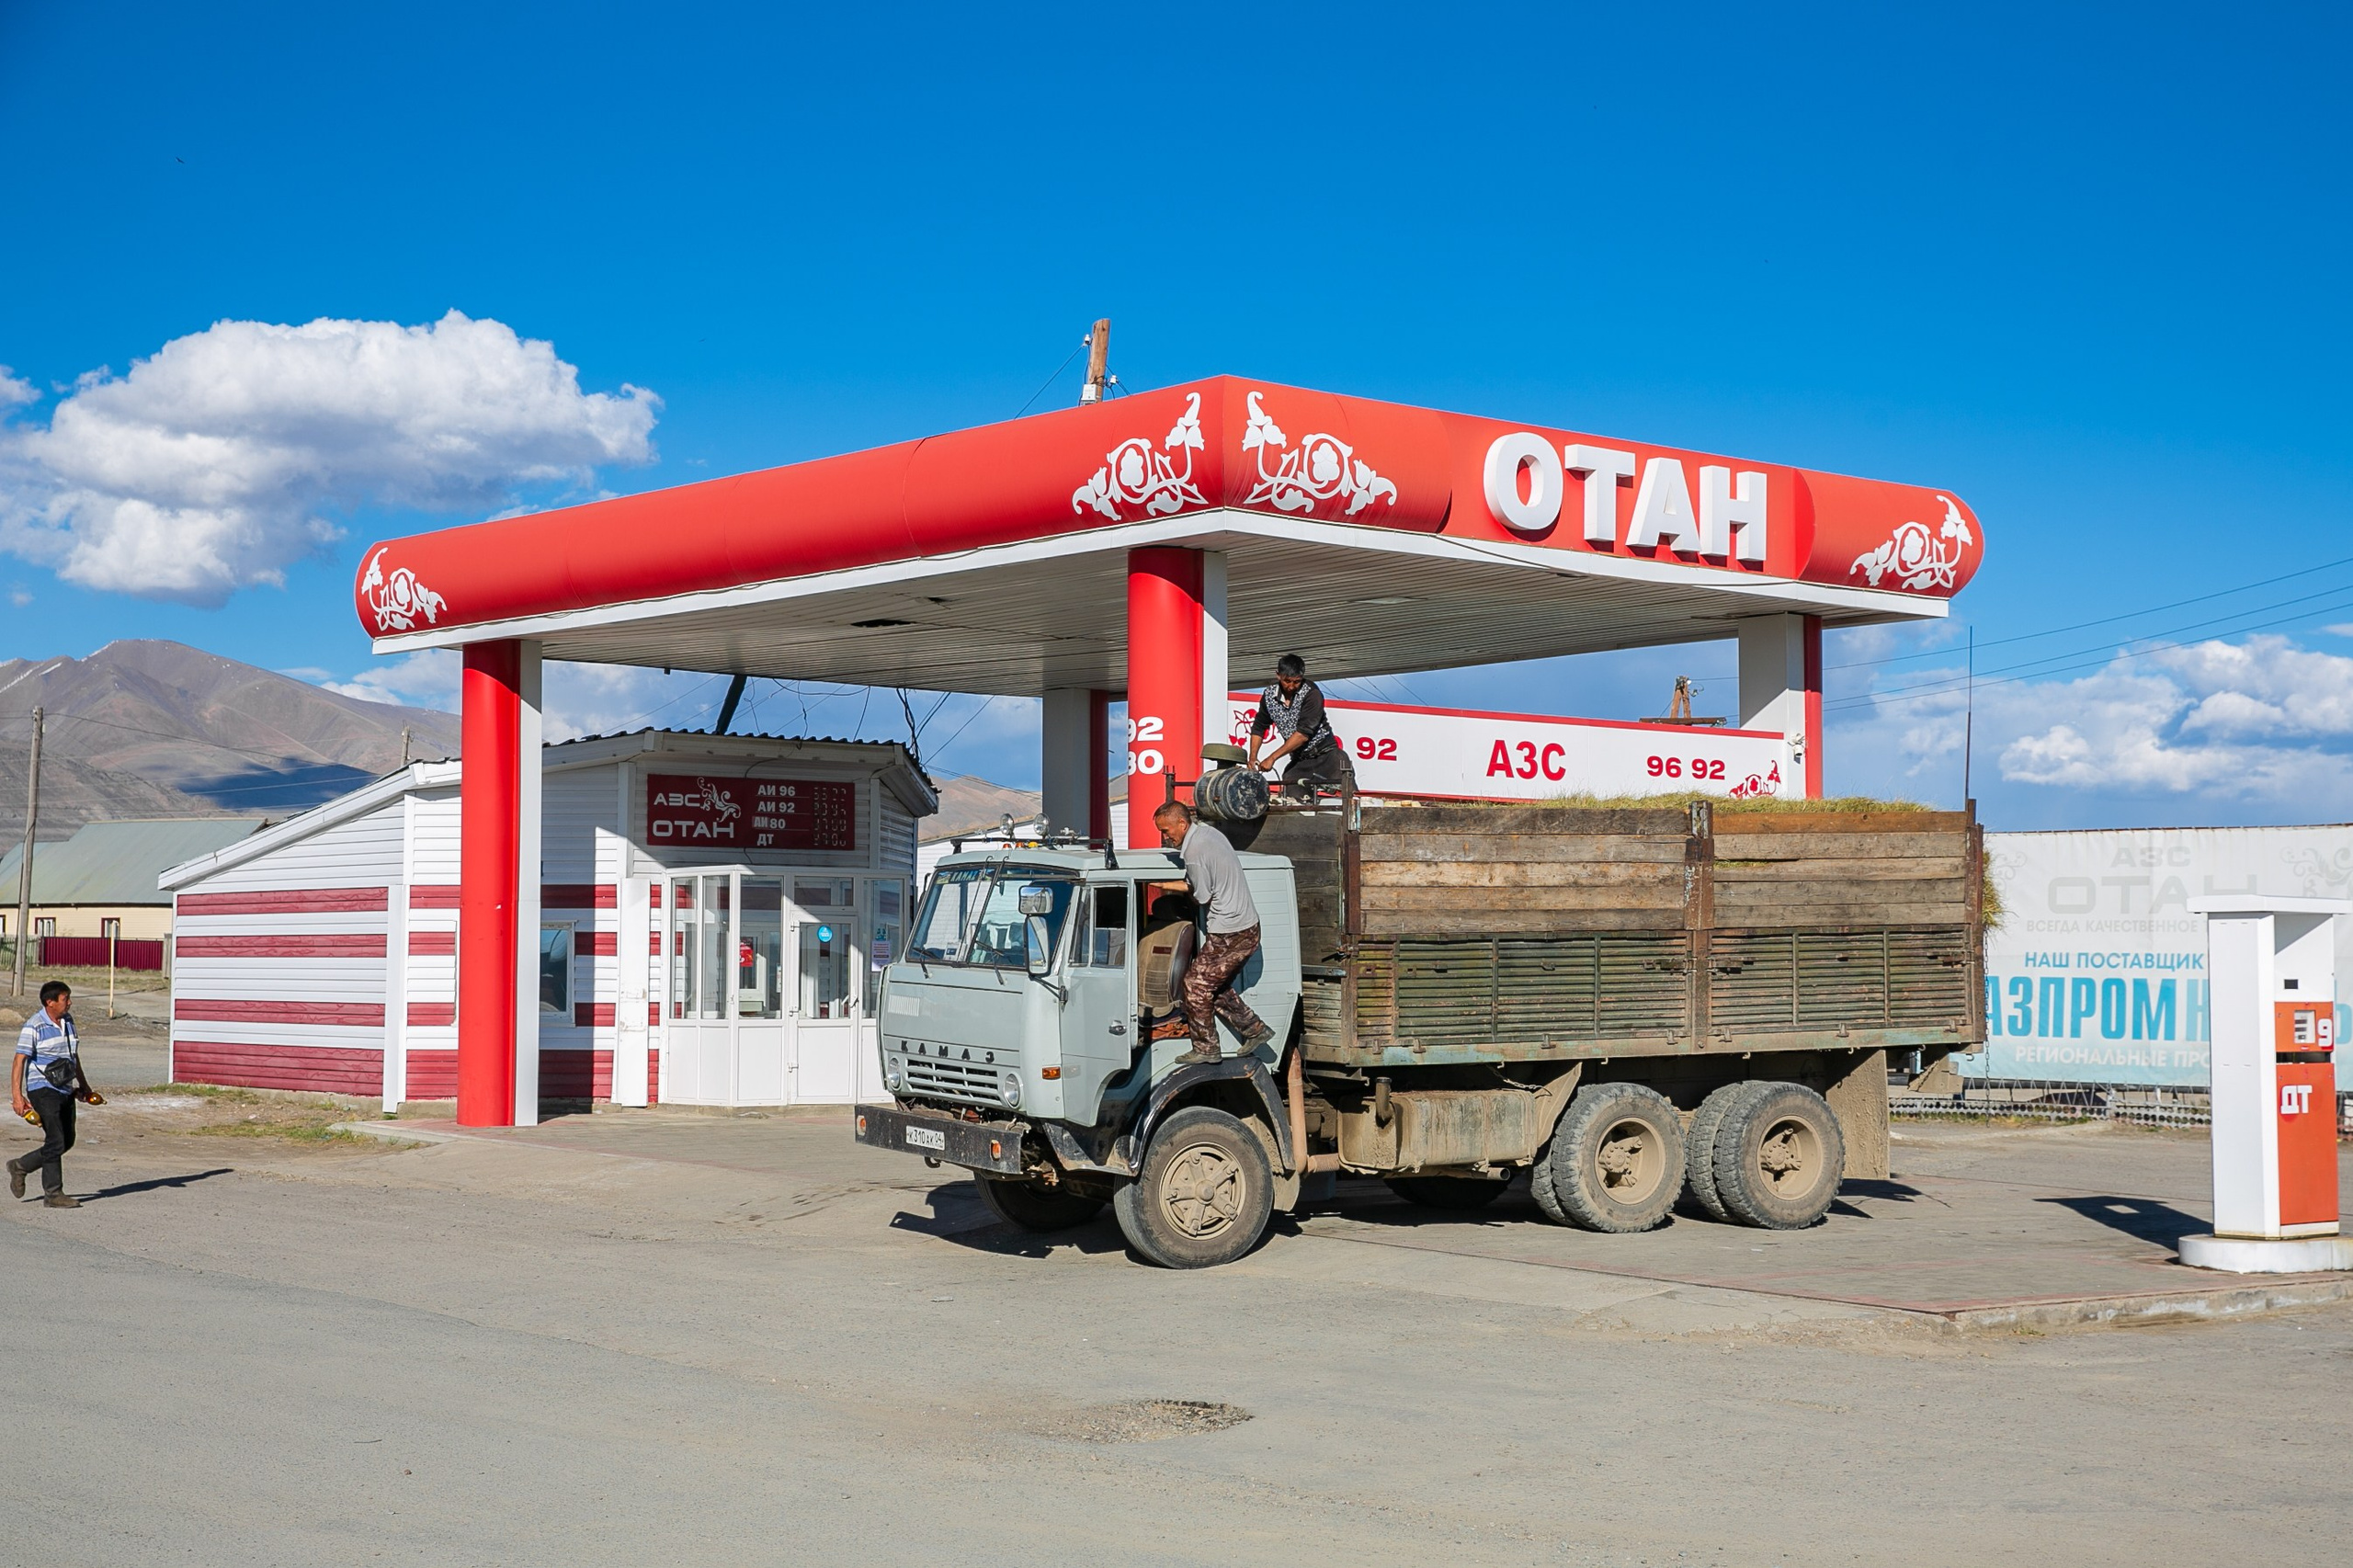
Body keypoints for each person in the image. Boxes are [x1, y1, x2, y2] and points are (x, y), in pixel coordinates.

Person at [1154, 801, 1275, 1065]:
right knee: (1211, 985)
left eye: (1166, 830)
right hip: (1245, 926)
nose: (1165, 836)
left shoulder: (1193, 852)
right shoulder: (1209, 834)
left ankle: (1207, 1048)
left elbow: (1202, 895)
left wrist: (1174, 888)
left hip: (1230, 931)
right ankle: (1255, 1030)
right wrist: (1168, 883)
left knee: (1194, 986)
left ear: (1182, 824)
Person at [10, 981, 98, 1208]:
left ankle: (21, 1166)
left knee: (66, 1141)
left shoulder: (68, 1022)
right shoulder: (34, 1025)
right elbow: (19, 1060)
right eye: (65, 998)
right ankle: (53, 1194)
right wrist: (18, 1097)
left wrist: (84, 1086)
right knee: (55, 1140)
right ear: (50, 1002)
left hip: (64, 1087)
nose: (69, 1003)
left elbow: (73, 1056)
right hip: (42, 1089)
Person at [1246, 653, 1356, 801]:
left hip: (1329, 757)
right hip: (1300, 762)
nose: (1291, 686)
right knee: (1291, 798)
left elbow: (1303, 734)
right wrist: (1253, 757)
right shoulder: (1269, 696)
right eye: (1287, 681)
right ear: (1278, 675)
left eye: (1296, 682)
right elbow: (1259, 727)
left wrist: (1272, 758)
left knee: (1347, 802)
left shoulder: (1312, 694)